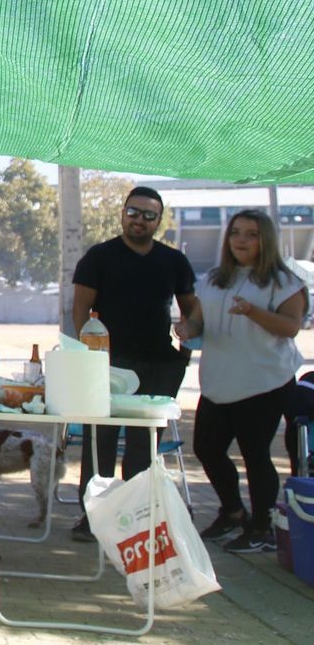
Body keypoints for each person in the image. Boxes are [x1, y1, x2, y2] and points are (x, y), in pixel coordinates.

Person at [69, 185, 200, 542]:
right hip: (108, 366)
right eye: (133, 212)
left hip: (159, 365)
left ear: (159, 220)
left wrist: (186, 341)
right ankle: (93, 518)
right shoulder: (99, 256)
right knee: (101, 443)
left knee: (144, 446)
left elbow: (193, 311)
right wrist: (88, 356)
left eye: (148, 215)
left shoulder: (174, 261)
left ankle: (134, 519)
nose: (139, 220)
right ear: (123, 213)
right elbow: (80, 309)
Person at [177, 209, 307, 553]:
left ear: (265, 239)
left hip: (265, 383)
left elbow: (291, 327)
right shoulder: (214, 279)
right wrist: (186, 329)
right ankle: (233, 513)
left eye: (251, 233)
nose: (241, 240)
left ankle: (262, 526)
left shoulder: (284, 282)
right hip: (218, 383)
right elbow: (197, 322)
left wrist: (253, 311)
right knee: (207, 449)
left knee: (255, 454)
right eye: (235, 232)